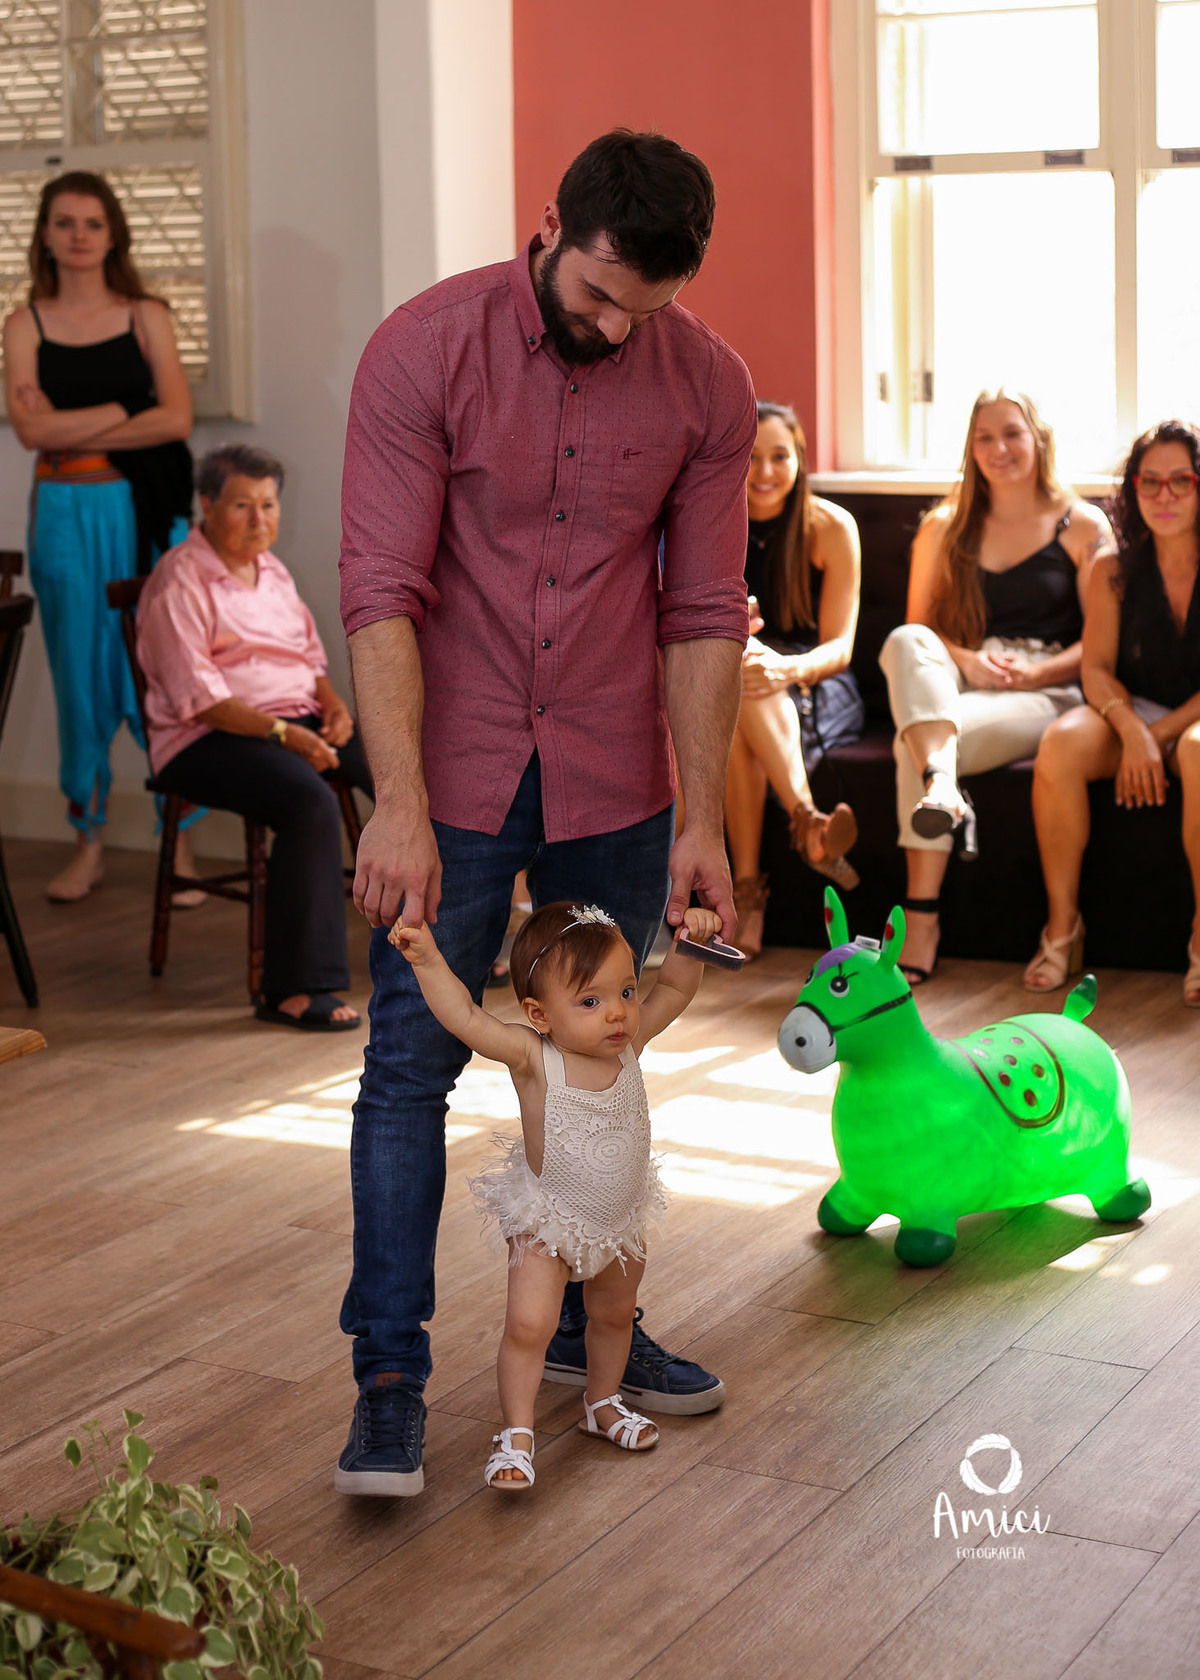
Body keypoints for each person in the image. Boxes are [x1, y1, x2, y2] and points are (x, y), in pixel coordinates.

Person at [335, 129, 756, 1497]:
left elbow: (700, 614)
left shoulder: (709, 388)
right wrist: (395, 802)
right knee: (411, 1067)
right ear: (553, 229)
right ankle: (390, 1379)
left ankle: (583, 1328)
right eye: (599, 297)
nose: (620, 328)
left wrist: (703, 813)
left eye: (651, 308)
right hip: (447, 773)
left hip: (611, 775)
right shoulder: (422, 350)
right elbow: (381, 589)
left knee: (601, 1059)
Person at [389, 899, 719, 1490]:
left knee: (615, 1315)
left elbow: (675, 987)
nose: (617, 1013)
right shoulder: (533, 1058)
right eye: (590, 1001)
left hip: (619, 1216)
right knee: (529, 1325)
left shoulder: (628, 1047)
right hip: (549, 1220)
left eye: (624, 992)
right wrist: (429, 960)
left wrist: (691, 944)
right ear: (539, 1013)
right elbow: (464, 1016)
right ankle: (516, 1434)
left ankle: (603, 1402)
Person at [3, 170, 197, 904]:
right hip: (62, 514)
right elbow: (30, 431)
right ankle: (87, 839)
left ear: (112, 232)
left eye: (92, 222)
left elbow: (175, 420)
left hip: (140, 509)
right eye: (64, 222)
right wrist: (128, 404)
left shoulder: (147, 315)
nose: (79, 235)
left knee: (161, 676)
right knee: (79, 679)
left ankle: (176, 846)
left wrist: (72, 415)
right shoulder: (26, 324)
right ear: (45, 235)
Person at [878, 390, 1113, 984]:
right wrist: (967, 659)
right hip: (959, 677)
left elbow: (1103, 640)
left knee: (923, 744)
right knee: (906, 643)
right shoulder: (943, 525)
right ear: (970, 447)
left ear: (1038, 438)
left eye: (1012, 434)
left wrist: (1039, 672)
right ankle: (943, 786)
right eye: (985, 437)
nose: (999, 449)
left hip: (1049, 688)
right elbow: (921, 627)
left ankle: (921, 915)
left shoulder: (1081, 523)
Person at [137, 444, 372, 1029]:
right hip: (205, 738)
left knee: (400, 767)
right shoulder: (180, 581)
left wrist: (335, 708)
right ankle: (293, 989)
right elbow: (203, 700)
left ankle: (452, 946)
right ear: (207, 505)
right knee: (307, 801)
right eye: (242, 505)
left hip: (290, 720)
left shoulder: (272, 572)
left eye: (268, 504)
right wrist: (286, 737)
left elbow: (308, 659)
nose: (259, 519)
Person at [1027, 421, 1200, 1001]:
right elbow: (1096, 669)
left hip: (1194, 721)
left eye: (1182, 481)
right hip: (1132, 708)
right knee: (1059, 742)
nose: (1165, 496)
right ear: (1131, 489)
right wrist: (1132, 730)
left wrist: (1158, 736)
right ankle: (1063, 928)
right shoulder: (1111, 567)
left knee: (1199, 749)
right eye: (1149, 482)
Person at [726, 400, 864, 958]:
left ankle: (749, 894)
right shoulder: (712, 521)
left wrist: (786, 667)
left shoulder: (830, 526)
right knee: (741, 681)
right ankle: (807, 823)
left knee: (748, 685)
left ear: (799, 459)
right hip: (739, 679)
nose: (764, 472)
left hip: (817, 678)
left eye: (779, 456)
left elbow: (841, 647)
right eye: (751, 457)